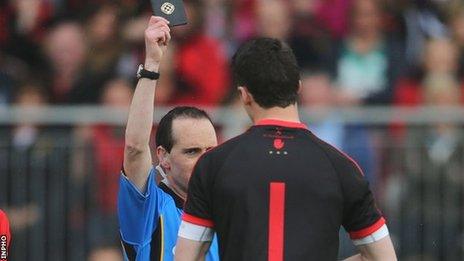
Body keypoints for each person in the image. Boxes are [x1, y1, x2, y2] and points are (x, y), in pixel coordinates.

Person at [175, 38, 397, 260]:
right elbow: (384, 257)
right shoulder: (341, 167)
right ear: (298, 87)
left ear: (244, 95)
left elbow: (186, 257)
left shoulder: (213, 164)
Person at [117, 16, 219, 260]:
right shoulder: (151, 209)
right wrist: (152, 63)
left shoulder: (226, 214)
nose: (204, 161)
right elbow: (135, 148)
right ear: (163, 157)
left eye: (210, 151)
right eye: (192, 151)